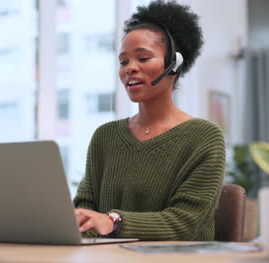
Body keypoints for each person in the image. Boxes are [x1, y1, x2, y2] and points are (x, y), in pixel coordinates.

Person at [73, 1, 225, 241]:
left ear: (173, 64)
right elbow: (85, 213)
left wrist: (113, 222)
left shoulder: (204, 137)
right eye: (123, 62)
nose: (130, 68)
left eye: (143, 58)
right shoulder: (105, 136)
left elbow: (185, 222)